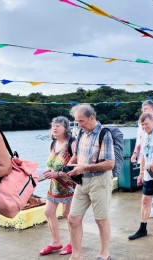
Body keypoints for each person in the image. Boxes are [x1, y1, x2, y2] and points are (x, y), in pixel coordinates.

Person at [66, 104, 115, 260]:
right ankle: (76, 255)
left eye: (81, 121)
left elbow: (110, 164)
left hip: (100, 181)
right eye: (77, 121)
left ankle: (104, 254)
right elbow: (76, 156)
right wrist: (66, 169)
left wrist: (85, 167)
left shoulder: (104, 134)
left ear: (92, 118)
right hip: (82, 182)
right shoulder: (81, 132)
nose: (78, 124)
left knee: (101, 219)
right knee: (73, 218)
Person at [39, 116, 76, 256]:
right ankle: (55, 242)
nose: (54, 128)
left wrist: (58, 173)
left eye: (58, 126)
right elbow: (51, 163)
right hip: (54, 184)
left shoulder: (72, 143)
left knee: (68, 215)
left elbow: (74, 164)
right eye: (53, 125)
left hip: (69, 184)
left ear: (66, 128)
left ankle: (73, 243)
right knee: (48, 212)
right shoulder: (53, 144)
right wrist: (47, 172)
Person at [130, 100, 153, 218]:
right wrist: (135, 153)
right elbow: (139, 140)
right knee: (150, 181)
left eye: (145, 109)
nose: (143, 111)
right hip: (145, 156)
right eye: (143, 109)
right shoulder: (141, 122)